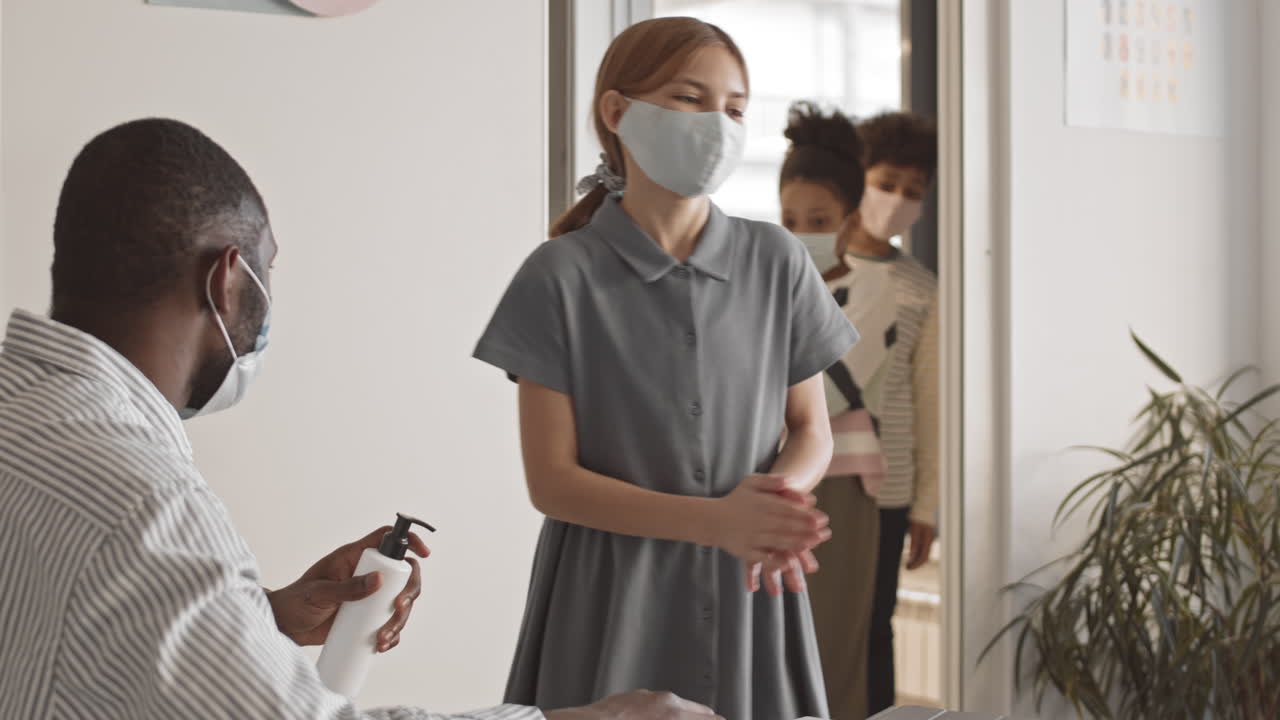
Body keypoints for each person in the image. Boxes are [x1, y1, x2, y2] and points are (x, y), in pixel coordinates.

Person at [0, 118, 720, 720]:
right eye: (266, 271)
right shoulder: (143, 506)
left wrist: (259, 620)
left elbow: (57, 632)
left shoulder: (28, 422)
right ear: (225, 281)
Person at [473, 17, 858, 720]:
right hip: (614, 596)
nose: (718, 124)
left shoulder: (779, 262)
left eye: (736, 109)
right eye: (690, 99)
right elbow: (552, 483)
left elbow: (812, 431)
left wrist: (771, 509)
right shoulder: (559, 277)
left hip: (752, 584)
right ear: (617, 113)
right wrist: (721, 522)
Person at [777, 101, 877, 720]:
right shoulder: (770, 280)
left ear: (848, 218)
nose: (801, 228)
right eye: (789, 216)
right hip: (780, 476)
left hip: (846, 480)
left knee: (837, 642)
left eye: (818, 218)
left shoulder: (875, 290)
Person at [852, 111, 940, 715]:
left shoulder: (922, 288)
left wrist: (927, 506)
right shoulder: (804, 263)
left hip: (890, 491)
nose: (898, 201)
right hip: (810, 480)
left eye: (913, 192)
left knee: (873, 628)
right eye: (887, 182)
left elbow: (931, 400)